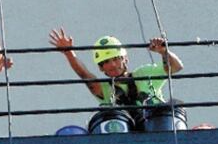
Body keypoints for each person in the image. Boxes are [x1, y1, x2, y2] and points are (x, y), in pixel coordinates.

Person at [48, 29, 184, 127]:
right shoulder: (105, 88)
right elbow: (85, 75)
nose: (112, 64)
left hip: (157, 125)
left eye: (116, 59)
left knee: (173, 105)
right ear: (101, 68)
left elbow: (176, 67)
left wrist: (164, 52)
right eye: (106, 62)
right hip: (124, 130)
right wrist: (69, 53)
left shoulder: (144, 73)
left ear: (125, 59)